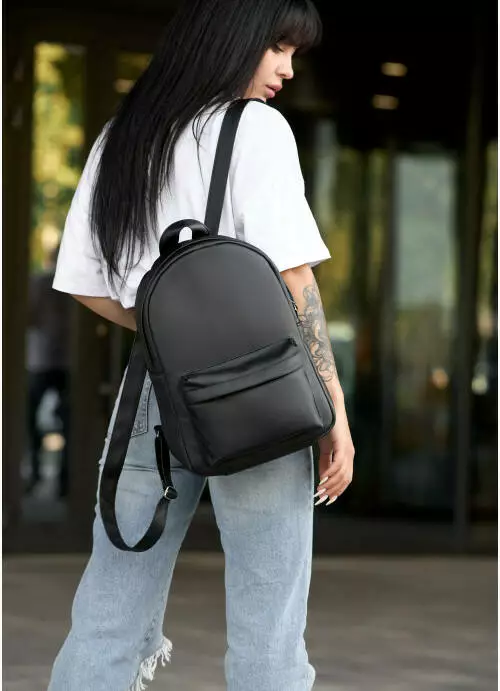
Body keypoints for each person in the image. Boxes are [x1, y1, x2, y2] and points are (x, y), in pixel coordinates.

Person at [48, 0, 355, 689]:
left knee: (110, 607)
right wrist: (332, 406)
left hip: (154, 387)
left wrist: (176, 337)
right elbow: (293, 276)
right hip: (260, 394)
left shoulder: (123, 135)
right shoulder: (257, 129)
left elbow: (84, 284)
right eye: (278, 46)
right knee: (268, 623)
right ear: (231, 38)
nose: (287, 68)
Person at [26, 245, 70, 498]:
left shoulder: (39, 283)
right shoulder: (74, 286)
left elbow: (27, 316)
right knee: (68, 422)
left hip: (40, 360)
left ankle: (36, 474)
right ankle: (65, 480)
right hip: (63, 361)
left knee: (31, 421)